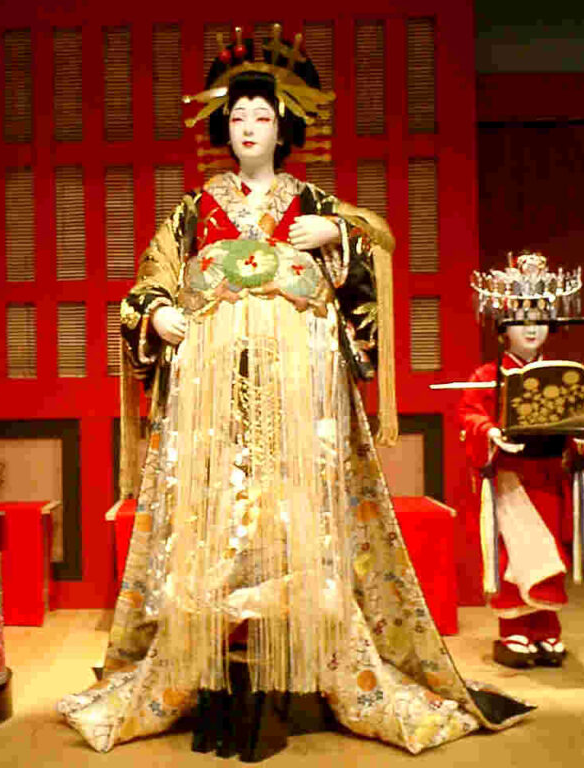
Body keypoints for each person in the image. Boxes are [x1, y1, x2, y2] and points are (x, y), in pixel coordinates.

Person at [59, 27, 531, 758]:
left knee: (296, 518)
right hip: (211, 397)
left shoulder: (314, 203)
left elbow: (369, 274)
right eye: (238, 117)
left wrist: (336, 237)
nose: (249, 128)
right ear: (223, 130)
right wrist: (158, 315)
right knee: (212, 523)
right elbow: (147, 283)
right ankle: (209, 670)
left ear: (284, 130)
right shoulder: (193, 210)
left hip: (299, 391)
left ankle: (298, 663)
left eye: (263, 117)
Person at [457, 252, 584, 668]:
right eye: (520, 319)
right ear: (503, 329)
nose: (531, 328)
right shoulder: (486, 375)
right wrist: (490, 432)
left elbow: (580, 421)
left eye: (539, 319)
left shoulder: (564, 373)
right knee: (513, 552)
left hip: (549, 475)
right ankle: (514, 630)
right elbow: (469, 415)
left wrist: (582, 436)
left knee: (548, 551)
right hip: (509, 477)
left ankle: (548, 629)